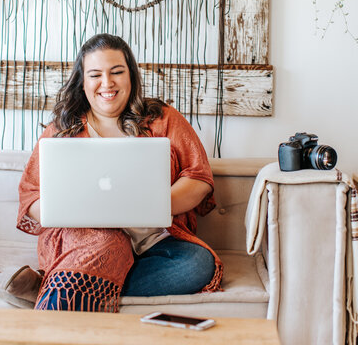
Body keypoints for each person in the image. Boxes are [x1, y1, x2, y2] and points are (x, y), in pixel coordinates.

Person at [16, 33, 223, 312]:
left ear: (131, 76)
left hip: (153, 246)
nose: (107, 83)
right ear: (83, 81)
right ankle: (71, 287)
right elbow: (31, 196)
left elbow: (198, 178)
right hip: (88, 243)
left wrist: (150, 204)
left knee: (198, 264)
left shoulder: (162, 118)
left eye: (116, 72)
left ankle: (57, 285)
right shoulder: (62, 130)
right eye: (95, 75)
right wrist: (66, 208)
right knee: (110, 243)